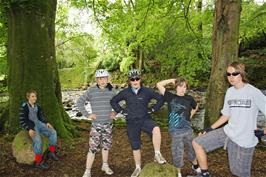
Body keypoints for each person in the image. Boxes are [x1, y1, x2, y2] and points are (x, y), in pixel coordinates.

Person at [189, 62, 266, 177]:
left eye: (234, 74)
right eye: (228, 74)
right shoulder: (230, 92)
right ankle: (204, 174)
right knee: (197, 142)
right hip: (228, 132)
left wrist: (263, 131)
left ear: (242, 74)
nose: (231, 77)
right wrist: (210, 128)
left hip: (245, 139)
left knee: (239, 172)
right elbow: (226, 115)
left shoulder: (254, 92)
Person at [110, 69, 166, 177]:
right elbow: (113, 101)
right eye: (132, 79)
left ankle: (157, 154)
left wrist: (153, 109)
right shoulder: (125, 92)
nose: (135, 81)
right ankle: (138, 168)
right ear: (129, 81)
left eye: (137, 79)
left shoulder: (147, 91)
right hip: (131, 122)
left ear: (140, 79)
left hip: (145, 119)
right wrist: (121, 111)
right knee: (135, 146)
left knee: (156, 129)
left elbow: (161, 99)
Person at [156, 78, 201, 177]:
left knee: (192, 148)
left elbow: (196, 106)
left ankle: (195, 166)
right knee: (177, 151)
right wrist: (172, 80)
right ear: (176, 87)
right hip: (175, 130)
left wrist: (190, 116)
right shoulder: (170, 97)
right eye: (180, 86)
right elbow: (159, 84)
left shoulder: (189, 98)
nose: (182, 89)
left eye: (184, 87)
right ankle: (178, 172)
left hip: (188, 129)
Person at [76, 69, 116, 177]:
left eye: (104, 78)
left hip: (108, 124)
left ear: (108, 79)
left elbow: (118, 103)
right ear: (97, 80)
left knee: (106, 146)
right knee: (92, 148)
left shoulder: (112, 91)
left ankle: (105, 165)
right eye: (100, 78)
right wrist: (88, 114)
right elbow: (79, 102)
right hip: (96, 125)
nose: (102, 80)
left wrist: (115, 111)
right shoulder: (91, 91)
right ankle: (87, 170)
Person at [19, 90, 58, 169]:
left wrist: (46, 122)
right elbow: (22, 120)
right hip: (31, 126)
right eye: (32, 96)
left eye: (35, 96)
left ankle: (51, 151)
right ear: (28, 97)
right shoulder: (24, 107)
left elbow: (41, 117)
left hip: (39, 123)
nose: (35, 98)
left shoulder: (38, 106)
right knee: (38, 141)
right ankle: (38, 162)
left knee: (53, 132)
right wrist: (29, 129)